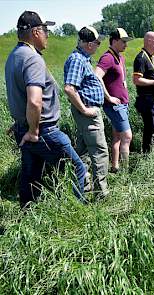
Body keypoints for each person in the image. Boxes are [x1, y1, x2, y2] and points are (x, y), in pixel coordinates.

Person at [5, 11, 86, 208]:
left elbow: (17, 95)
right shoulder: (32, 58)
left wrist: (22, 125)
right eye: (45, 30)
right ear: (35, 32)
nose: (48, 34)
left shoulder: (14, 55)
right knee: (76, 168)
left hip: (25, 129)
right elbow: (34, 101)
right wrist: (33, 132)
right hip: (42, 131)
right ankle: (77, 214)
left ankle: (28, 215)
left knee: (31, 176)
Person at [64, 26, 110, 199]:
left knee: (83, 151)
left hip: (88, 112)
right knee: (100, 151)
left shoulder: (83, 58)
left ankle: (83, 186)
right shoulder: (77, 59)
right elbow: (69, 88)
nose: (99, 46)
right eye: (98, 43)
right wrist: (84, 109)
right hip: (87, 113)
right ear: (90, 44)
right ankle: (101, 192)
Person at [96, 28, 133, 173]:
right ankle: (126, 171)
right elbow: (97, 76)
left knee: (117, 136)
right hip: (115, 106)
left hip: (122, 104)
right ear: (114, 41)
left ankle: (115, 166)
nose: (126, 45)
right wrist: (108, 97)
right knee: (127, 136)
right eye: (123, 42)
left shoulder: (119, 57)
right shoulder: (107, 57)